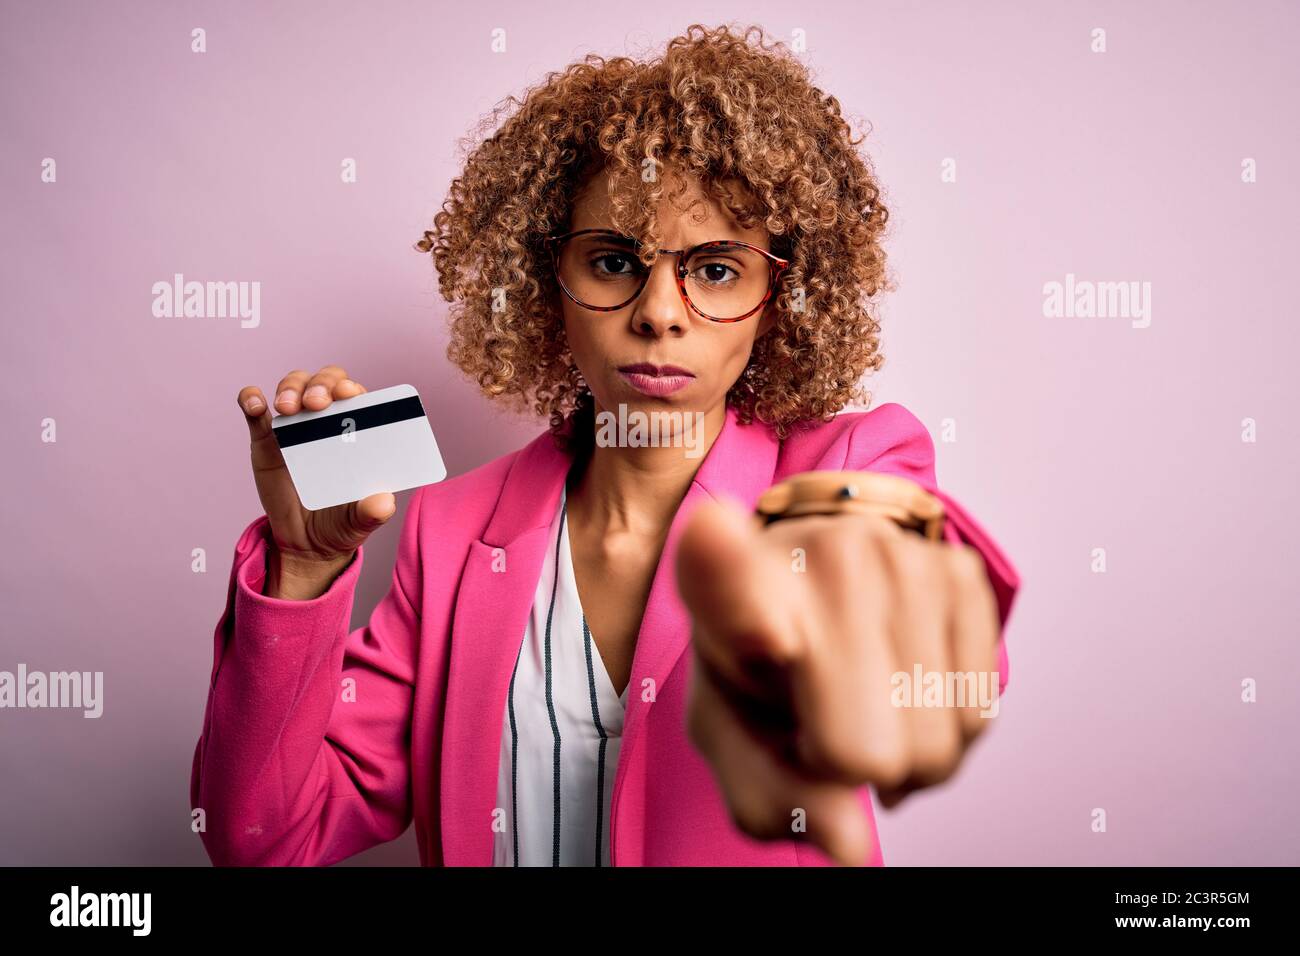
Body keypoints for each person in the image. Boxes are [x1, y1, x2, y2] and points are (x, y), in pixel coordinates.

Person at [191, 23, 1019, 867]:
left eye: (718, 268)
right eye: (617, 261)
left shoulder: (846, 470)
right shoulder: (450, 535)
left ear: (782, 295)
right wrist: (300, 575)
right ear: (547, 283)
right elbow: (263, 841)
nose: (661, 310)